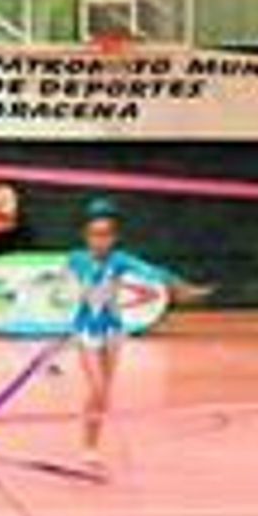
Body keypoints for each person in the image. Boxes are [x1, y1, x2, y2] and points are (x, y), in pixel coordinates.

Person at [68, 198, 208, 479]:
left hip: (112, 331)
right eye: (95, 234)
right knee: (97, 388)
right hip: (85, 330)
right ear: (86, 236)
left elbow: (153, 271)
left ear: (114, 238)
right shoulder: (77, 259)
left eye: (106, 235)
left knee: (103, 392)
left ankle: (92, 446)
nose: (100, 240)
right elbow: (82, 283)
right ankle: (87, 447)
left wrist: (181, 286)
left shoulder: (120, 259)